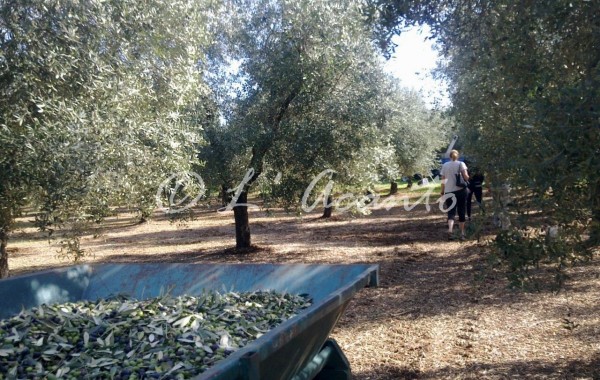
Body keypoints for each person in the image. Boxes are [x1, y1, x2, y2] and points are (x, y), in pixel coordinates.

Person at [440, 150, 469, 240]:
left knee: (451, 212)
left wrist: (442, 192)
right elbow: (466, 177)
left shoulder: (445, 165)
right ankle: (462, 234)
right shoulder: (461, 164)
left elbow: (443, 180)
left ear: (449, 156)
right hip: (460, 190)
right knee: (461, 211)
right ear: (458, 156)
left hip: (449, 191)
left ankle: (450, 230)